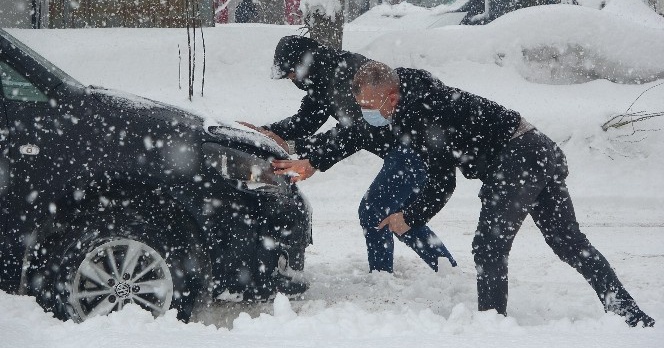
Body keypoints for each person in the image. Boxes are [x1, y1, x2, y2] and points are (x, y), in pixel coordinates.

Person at [275, 61, 655, 327]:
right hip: (538, 149)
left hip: (519, 157)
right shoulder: (406, 98)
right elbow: (360, 131)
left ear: (391, 98)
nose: (369, 114)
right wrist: (316, 160)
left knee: (490, 246)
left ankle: (491, 327)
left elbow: (443, 183)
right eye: (363, 107)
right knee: (568, 242)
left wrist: (409, 216)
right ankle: (629, 313)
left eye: (372, 107)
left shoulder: (426, 111)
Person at [241, 35, 456, 272]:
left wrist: (312, 159)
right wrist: (267, 132)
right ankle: (446, 268)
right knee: (396, 216)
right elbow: (304, 121)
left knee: (374, 210)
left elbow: (355, 132)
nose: (293, 80)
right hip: (401, 148)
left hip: (412, 146)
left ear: (304, 65)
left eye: (293, 74)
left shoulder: (348, 74)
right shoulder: (321, 80)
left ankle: (382, 276)